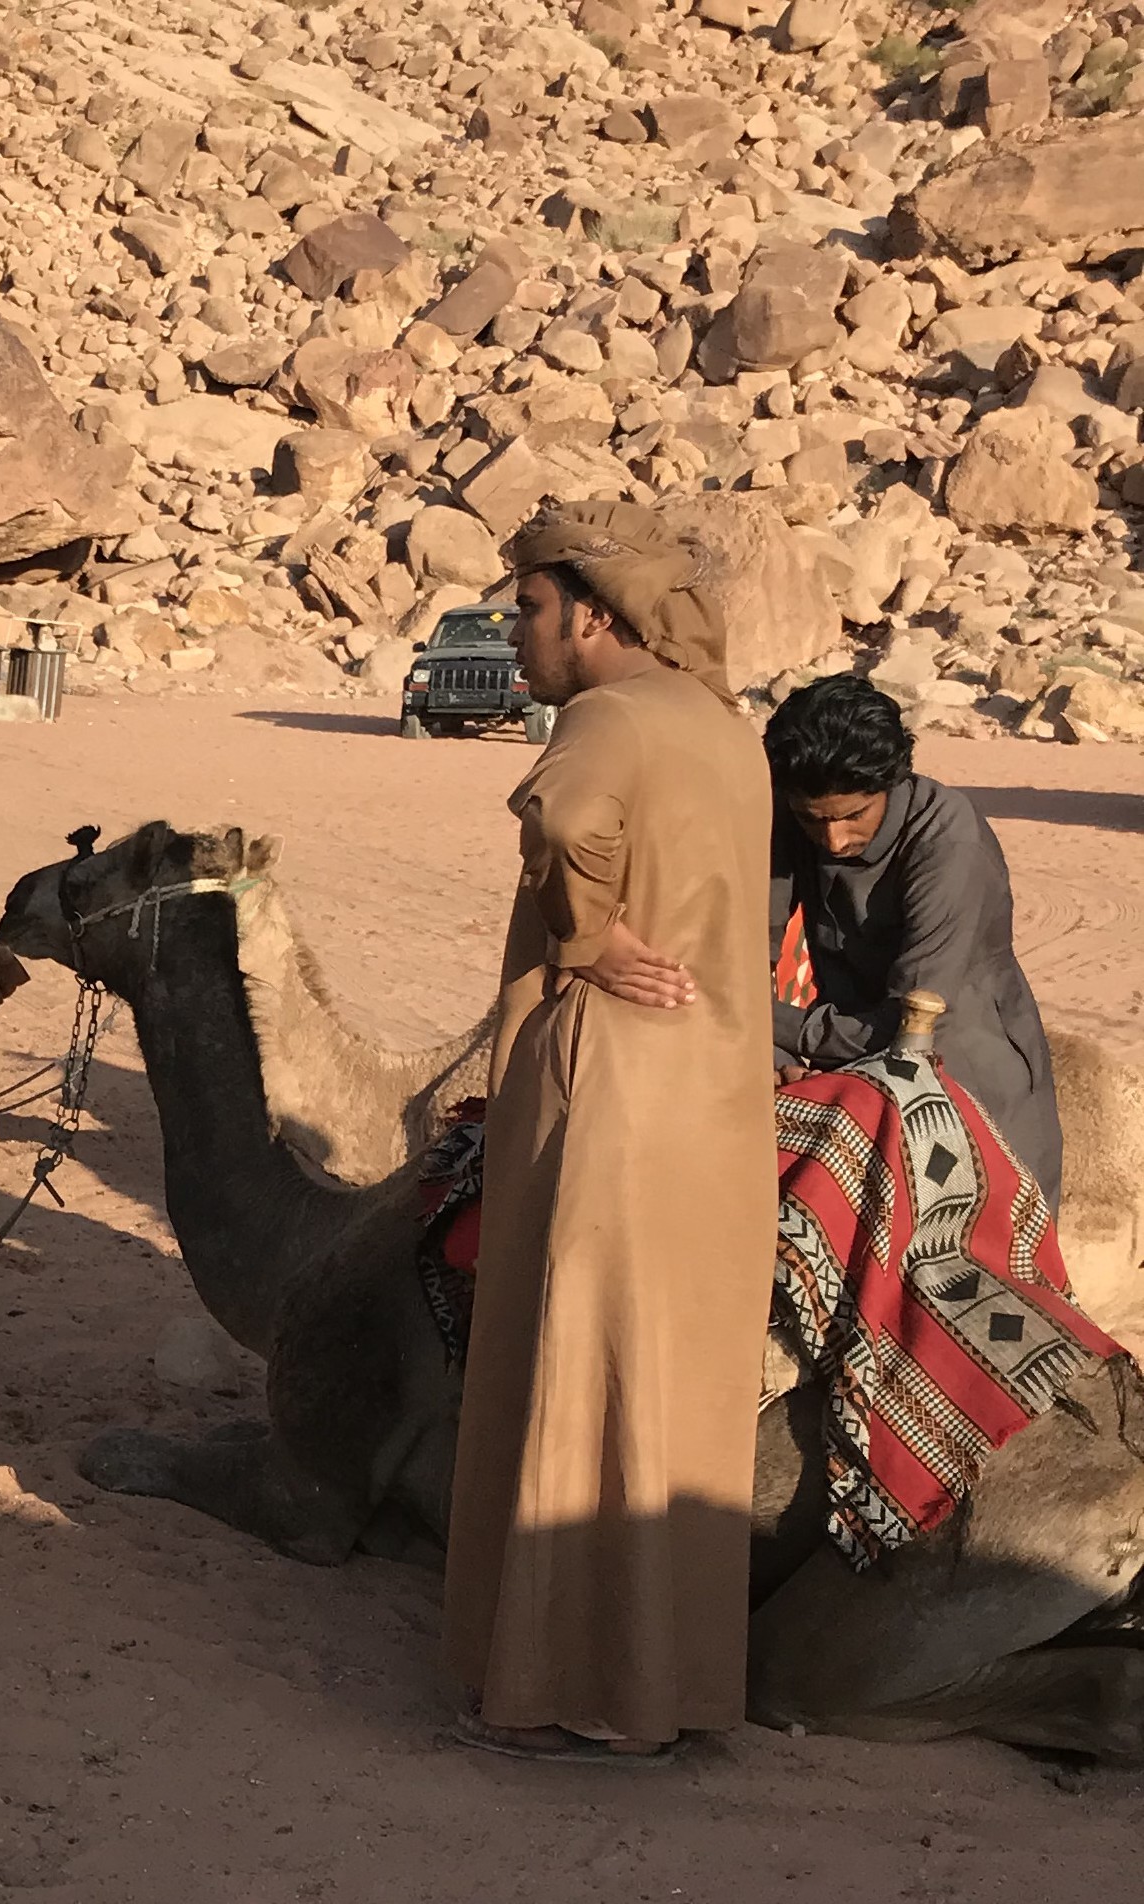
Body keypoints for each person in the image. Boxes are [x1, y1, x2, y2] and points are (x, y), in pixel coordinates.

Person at [443, 502, 775, 1763]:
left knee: (580, 1370)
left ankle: (562, 1684)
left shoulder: (606, 717)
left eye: (524, 604)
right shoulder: (716, 724)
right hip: (715, 1099)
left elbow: (569, 821)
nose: (513, 629)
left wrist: (584, 938)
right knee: (675, 1393)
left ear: (590, 612)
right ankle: (669, 1685)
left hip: (616, 1088)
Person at [765, 673, 1061, 1209]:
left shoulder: (949, 840)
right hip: (845, 1065)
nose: (834, 839)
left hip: (964, 1073)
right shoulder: (794, 816)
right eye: (815, 820)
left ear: (893, 781)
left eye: (854, 815)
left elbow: (909, 1023)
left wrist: (775, 1025)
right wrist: (770, 1050)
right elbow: (747, 942)